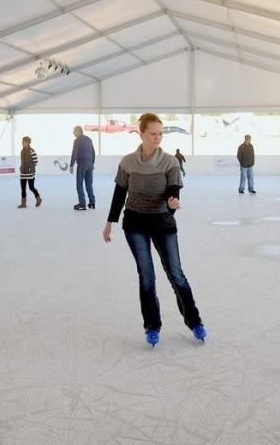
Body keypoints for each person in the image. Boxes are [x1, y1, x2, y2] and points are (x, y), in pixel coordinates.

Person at [102, 112, 205, 347]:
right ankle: (152, 326)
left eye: (160, 134)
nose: (158, 138)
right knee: (147, 277)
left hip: (163, 224)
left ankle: (195, 321)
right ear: (142, 134)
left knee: (176, 274)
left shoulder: (170, 161)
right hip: (135, 225)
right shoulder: (128, 162)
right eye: (153, 134)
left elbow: (173, 190)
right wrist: (110, 223)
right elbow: (119, 195)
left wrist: (172, 202)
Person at [69, 125, 95, 210]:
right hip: (90, 164)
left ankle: (82, 203)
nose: (73, 133)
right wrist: (92, 163)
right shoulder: (89, 139)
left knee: (79, 183)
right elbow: (93, 152)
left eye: (74, 131)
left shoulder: (77, 141)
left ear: (79, 131)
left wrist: (71, 165)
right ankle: (92, 202)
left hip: (82, 164)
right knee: (89, 184)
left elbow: (74, 153)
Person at [18, 136, 41, 208]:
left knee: (31, 187)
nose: (22, 143)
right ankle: (23, 204)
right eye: (22, 141)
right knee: (23, 188)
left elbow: (35, 161)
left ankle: (38, 199)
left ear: (28, 142)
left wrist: (30, 169)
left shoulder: (32, 151)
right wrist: (21, 167)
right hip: (23, 173)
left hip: (30, 173)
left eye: (24, 141)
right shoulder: (22, 151)